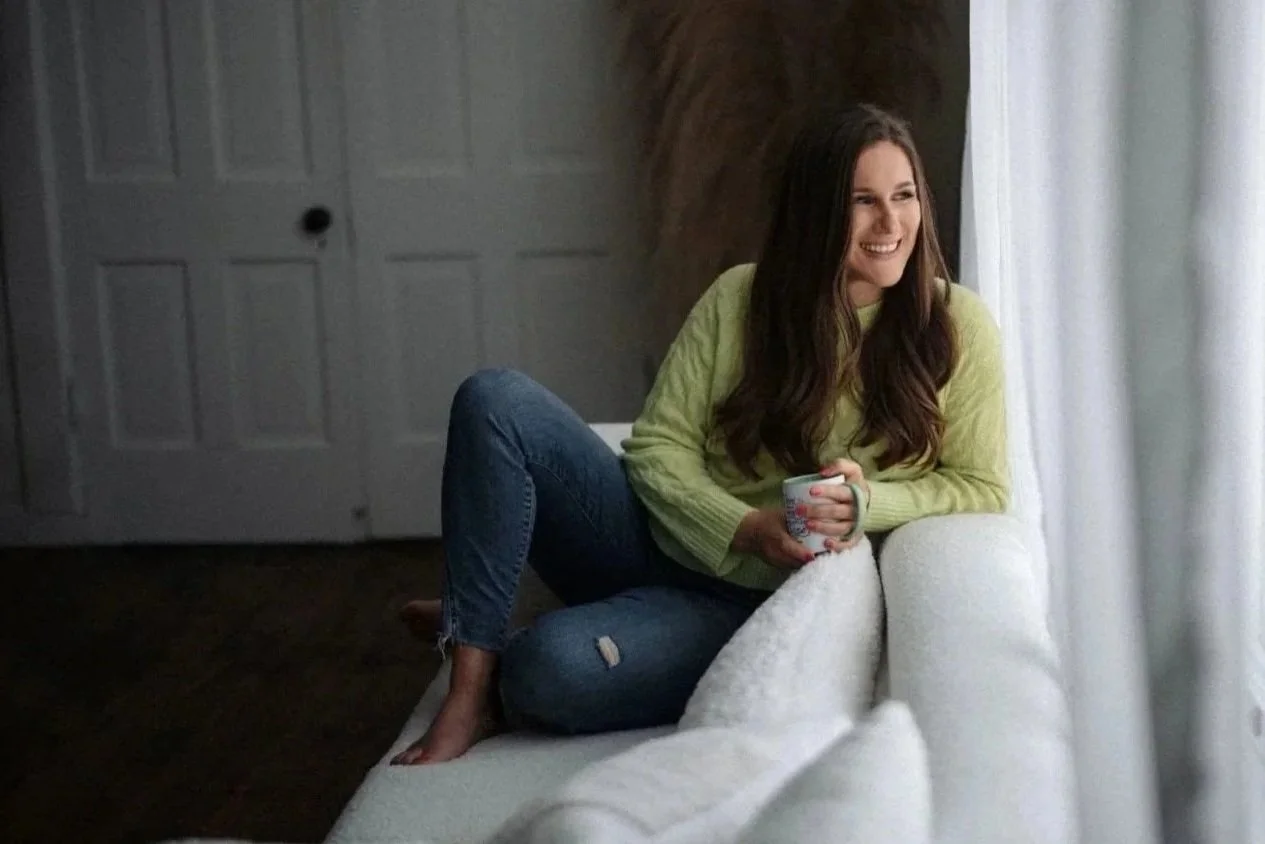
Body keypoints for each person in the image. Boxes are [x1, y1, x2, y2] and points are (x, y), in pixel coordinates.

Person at [391, 104, 1009, 765]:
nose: (891, 223)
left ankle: (485, 633)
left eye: (904, 195)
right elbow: (657, 447)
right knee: (495, 398)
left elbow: (980, 485)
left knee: (548, 671)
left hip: (742, 603)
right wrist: (743, 526)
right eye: (862, 201)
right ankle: (469, 680)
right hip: (644, 540)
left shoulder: (955, 324)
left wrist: (868, 504)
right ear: (816, 210)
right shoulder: (740, 298)